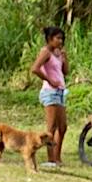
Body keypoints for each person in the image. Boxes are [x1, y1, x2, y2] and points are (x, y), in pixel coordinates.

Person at [29, 26, 69, 165]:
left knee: (62, 126)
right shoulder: (46, 52)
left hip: (60, 91)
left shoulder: (58, 53)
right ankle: (50, 159)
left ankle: (57, 157)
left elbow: (65, 71)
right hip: (50, 92)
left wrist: (65, 58)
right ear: (50, 39)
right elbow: (35, 69)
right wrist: (49, 80)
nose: (60, 41)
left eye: (62, 38)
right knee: (51, 127)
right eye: (57, 38)